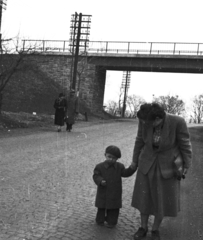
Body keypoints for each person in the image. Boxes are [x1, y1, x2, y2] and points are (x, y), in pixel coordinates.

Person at [130, 103, 192, 240]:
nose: (144, 124)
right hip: (147, 163)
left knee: (162, 199)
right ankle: (143, 227)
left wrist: (187, 164)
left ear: (158, 119)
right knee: (144, 198)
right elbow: (139, 140)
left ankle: (155, 229)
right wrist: (135, 161)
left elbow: (185, 143)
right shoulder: (145, 120)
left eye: (147, 123)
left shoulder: (178, 122)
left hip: (168, 165)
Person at [93, 145, 136, 228]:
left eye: (114, 158)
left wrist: (132, 168)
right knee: (101, 207)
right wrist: (100, 181)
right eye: (109, 156)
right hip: (103, 191)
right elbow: (96, 176)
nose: (111, 159)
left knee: (114, 208)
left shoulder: (120, 167)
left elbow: (125, 173)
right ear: (105, 155)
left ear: (117, 159)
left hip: (115, 191)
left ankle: (111, 222)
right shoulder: (99, 166)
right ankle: (100, 220)